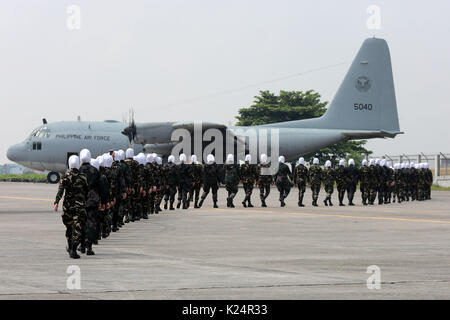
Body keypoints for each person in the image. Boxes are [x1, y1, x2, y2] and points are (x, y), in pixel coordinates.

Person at [54, 155, 88, 259]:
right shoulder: (83, 177)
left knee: (69, 228)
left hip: (67, 208)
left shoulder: (65, 177)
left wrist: (56, 202)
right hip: (79, 208)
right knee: (77, 229)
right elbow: (87, 190)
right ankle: (73, 250)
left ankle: (70, 247)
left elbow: (60, 190)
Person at [78, 149, 102, 255]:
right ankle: (89, 247)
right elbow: (101, 187)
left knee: (81, 223)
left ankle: (81, 246)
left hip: (80, 202)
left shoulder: (78, 171)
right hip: (93, 201)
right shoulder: (95, 171)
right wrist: (104, 201)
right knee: (91, 224)